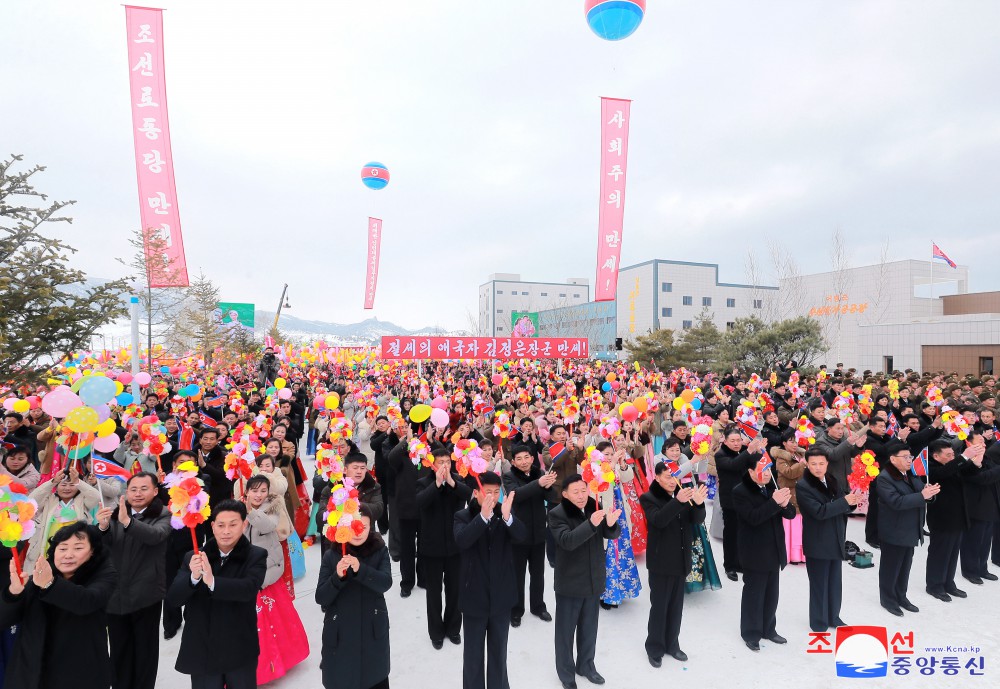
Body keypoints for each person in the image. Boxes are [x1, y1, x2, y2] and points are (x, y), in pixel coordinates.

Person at [1, 521, 117, 689]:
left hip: (81, 674)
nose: (68, 555)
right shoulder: (37, 581)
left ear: (93, 552)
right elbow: (4, 620)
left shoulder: (104, 576)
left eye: (78, 548)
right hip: (32, 675)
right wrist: (13, 593)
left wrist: (50, 585)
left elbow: (86, 601)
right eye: (62, 548)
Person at [166, 499, 267, 689]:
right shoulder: (194, 557)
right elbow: (174, 598)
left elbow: (248, 589)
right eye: (221, 525)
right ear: (212, 526)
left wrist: (213, 582)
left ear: (244, 525)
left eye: (233, 524)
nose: (226, 531)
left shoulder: (256, 555)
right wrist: (193, 578)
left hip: (238, 646)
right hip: (202, 648)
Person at [97, 472, 172, 689]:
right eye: (133, 489)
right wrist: (101, 528)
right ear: (126, 492)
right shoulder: (114, 514)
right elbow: (103, 546)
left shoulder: (164, 514)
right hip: (116, 594)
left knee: (145, 650)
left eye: (144, 489)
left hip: (146, 594)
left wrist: (128, 523)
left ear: (155, 491)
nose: (138, 494)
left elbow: (156, 536)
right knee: (119, 649)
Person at [454, 472, 526, 689]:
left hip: (501, 598)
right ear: (476, 493)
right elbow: (462, 540)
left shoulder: (505, 513)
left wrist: (507, 518)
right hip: (474, 597)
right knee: (473, 657)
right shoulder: (463, 516)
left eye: (497, 492)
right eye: (488, 492)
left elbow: (522, 536)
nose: (492, 497)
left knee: (498, 654)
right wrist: (482, 518)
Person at [549, 474, 622, 688]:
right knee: (565, 632)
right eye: (576, 492)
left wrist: (610, 524)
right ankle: (566, 674)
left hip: (594, 578)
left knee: (589, 628)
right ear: (565, 494)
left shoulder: (594, 505)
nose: (581, 496)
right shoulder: (556, 514)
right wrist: (591, 523)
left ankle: (586, 665)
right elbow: (567, 541)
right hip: (570, 583)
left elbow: (610, 534)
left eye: (584, 490)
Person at [315, 504, 391, 689]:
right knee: (342, 678)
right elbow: (321, 597)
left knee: (374, 677)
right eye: (354, 526)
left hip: (372, 632)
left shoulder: (379, 550)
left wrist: (361, 569)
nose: (359, 532)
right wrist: (337, 577)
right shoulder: (332, 554)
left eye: (364, 527)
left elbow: (385, 583)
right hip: (341, 637)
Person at [639, 461, 707, 667]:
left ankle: (672, 644)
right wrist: (678, 501)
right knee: (659, 607)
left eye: (674, 476)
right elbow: (658, 520)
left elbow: (696, 520)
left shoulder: (683, 494)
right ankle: (655, 647)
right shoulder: (648, 498)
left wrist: (699, 503)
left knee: (676, 607)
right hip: (661, 561)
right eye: (667, 477)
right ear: (657, 477)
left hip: (680, 558)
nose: (672, 481)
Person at [243, 475, 309, 684]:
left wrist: (249, 512)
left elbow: (267, 526)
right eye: (254, 490)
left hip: (268, 570)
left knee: (276, 619)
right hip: (246, 571)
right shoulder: (240, 507)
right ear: (246, 492)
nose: (259, 495)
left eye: (263, 490)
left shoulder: (273, 506)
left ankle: (282, 658)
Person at [733, 458, 796, 651]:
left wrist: (785, 505)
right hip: (754, 550)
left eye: (769, 469)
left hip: (774, 548)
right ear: (751, 472)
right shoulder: (740, 492)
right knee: (754, 593)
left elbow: (791, 514)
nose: (768, 474)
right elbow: (753, 518)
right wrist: (774, 503)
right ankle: (751, 632)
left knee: (771, 593)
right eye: (762, 470)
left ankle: (769, 628)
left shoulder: (772, 486)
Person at [796, 447, 858, 632]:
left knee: (834, 582)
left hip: (835, 538)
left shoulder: (832, 479)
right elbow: (819, 512)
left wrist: (852, 503)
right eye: (813, 464)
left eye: (821, 463)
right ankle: (818, 622)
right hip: (817, 541)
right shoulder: (803, 485)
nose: (818, 467)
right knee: (819, 584)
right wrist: (845, 502)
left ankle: (833, 616)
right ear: (807, 464)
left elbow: (841, 503)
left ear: (827, 464)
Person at [416, 447, 472, 648]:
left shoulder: (457, 480)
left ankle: (453, 628)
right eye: (440, 462)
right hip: (431, 547)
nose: (444, 466)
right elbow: (421, 502)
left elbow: (468, 496)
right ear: (433, 464)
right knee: (433, 593)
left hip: (456, 546)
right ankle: (436, 632)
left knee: (455, 590)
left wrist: (451, 482)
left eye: (447, 462)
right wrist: (437, 484)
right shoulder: (424, 482)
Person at [877, 440, 940, 616]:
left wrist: (929, 493)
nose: (909, 460)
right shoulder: (885, 478)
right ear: (892, 459)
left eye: (910, 456)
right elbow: (896, 502)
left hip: (911, 529)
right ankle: (888, 599)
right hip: (894, 530)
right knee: (891, 567)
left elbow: (921, 495)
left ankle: (901, 595)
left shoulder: (911, 475)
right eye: (904, 457)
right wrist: (922, 496)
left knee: (905, 566)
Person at [502, 445, 556, 626]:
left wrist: (548, 486)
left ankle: (538, 606)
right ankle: (516, 610)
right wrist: (539, 484)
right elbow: (515, 495)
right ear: (513, 462)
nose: (524, 461)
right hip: (519, 533)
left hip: (539, 531)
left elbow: (553, 495)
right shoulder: (509, 476)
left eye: (527, 457)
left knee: (538, 573)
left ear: (532, 458)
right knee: (517, 574)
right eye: (519, 458)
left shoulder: (539, 472)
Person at [926, 440, 982, 601]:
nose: (952, 457)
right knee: (940, 553)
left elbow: (966, 470)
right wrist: (964, 457)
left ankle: (948, 582)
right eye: (948, 455)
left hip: (958, 516)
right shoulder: (931, 468)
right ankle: (934, 585)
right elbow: (945, 472)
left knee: (952, 553)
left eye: (953, 454)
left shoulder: (953, 464)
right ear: (936, 456)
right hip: (942, 519)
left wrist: (976, 461)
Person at [25, 465, 101, 570]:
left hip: (74, 544)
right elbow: (32, 499)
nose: (67, 488)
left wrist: (78, 481)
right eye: (63, 484)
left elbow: (97, 496)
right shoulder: (48, 500)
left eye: (72, 485)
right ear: (56, 487)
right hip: (47, 543)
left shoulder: (82, 501)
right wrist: (53, 481)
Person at [715, 430, 767, 581]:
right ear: (725, 441)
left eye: (738, 440)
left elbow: (757, 463)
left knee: (745, 532)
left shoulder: (744, 451)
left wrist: (759, 450)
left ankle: (741, 562)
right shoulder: (720, 455)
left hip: (746, 498)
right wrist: (749, 450)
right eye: (733, 440)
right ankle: (730, 565)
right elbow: (733, 466)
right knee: (731, 534)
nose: (737, 443)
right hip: (730, 501)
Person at [961, 438, 1000, 584]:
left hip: (990, 504)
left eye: (984, 442)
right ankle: (970, 570)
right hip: (975, 506)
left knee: (985, 541)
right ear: (970, 444)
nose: (984, 445)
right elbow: (983, 478)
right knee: (973, 541)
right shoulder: (966, 462)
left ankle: (982, 568)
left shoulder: (988, 458)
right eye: (980, 442)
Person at [772, 428, 807, 564]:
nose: (794, 444)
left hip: (801, 493)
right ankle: (790, 554)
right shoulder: (781, 458)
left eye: (796, 441)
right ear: (784, 443)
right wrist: (801, 464)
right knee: (791, 527)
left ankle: (801, 554)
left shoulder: (799, 455)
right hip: (789, 494)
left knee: (801, 527)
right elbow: (788, 473)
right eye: (791, 441)